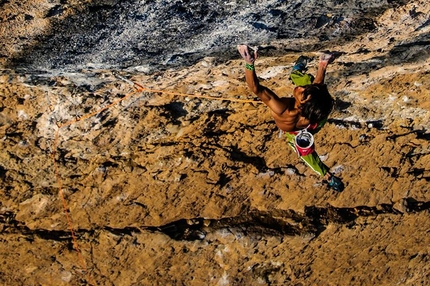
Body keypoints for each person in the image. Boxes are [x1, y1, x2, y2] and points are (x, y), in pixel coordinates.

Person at [237, 45, 344, 192]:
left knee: (305, 153)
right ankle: (323, 63)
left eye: (304, 94)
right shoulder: (312, 108)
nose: (301, 89)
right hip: (313, 121)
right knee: (316, 92)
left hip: (298, 130)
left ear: (302, 106)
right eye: (304, 90)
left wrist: (249, 62)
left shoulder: (283, 110)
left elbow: (257, 89)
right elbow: (316, 89)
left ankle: (300, 71)